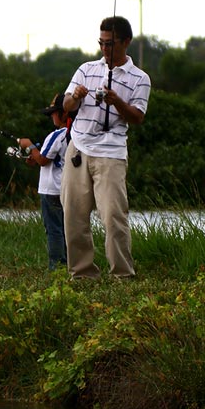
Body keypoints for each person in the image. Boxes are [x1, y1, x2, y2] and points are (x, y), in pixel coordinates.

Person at [60, 16, 151, 279]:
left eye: (110, 44)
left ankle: (122, 275)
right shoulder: (86, 69)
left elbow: (138, 117)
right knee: (73, 216)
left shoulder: (140, 78)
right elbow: (66, 105)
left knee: (113, 217)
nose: (104, 49)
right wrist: (74, 97)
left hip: (111, 154)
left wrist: (117, 102)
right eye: (101, 43)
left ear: (126, 42)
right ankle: (82, 274)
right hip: (78, 149)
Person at [19, 92, 70, 270]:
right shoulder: (74, 135)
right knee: (65, 230)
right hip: (65, 190)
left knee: (54, 230)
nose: (51, 116)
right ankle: (68, 264)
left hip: (51, 191)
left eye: (54, 112)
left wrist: (28, 145)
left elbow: (42, 160)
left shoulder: (57, 135)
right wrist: (34, 156)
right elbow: (45, 159)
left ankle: (56, 267)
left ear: (65, 113)